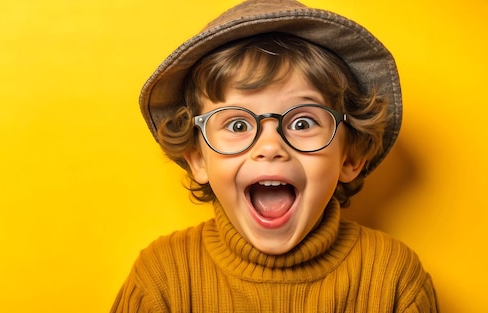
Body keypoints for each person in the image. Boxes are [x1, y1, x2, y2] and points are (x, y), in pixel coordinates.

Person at [111, 0, 439, 311]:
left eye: (302, 122)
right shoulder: (161, 279)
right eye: (238, 124)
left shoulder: (395, 279)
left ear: (349, 157)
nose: (270, 147)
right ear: (198, 158)